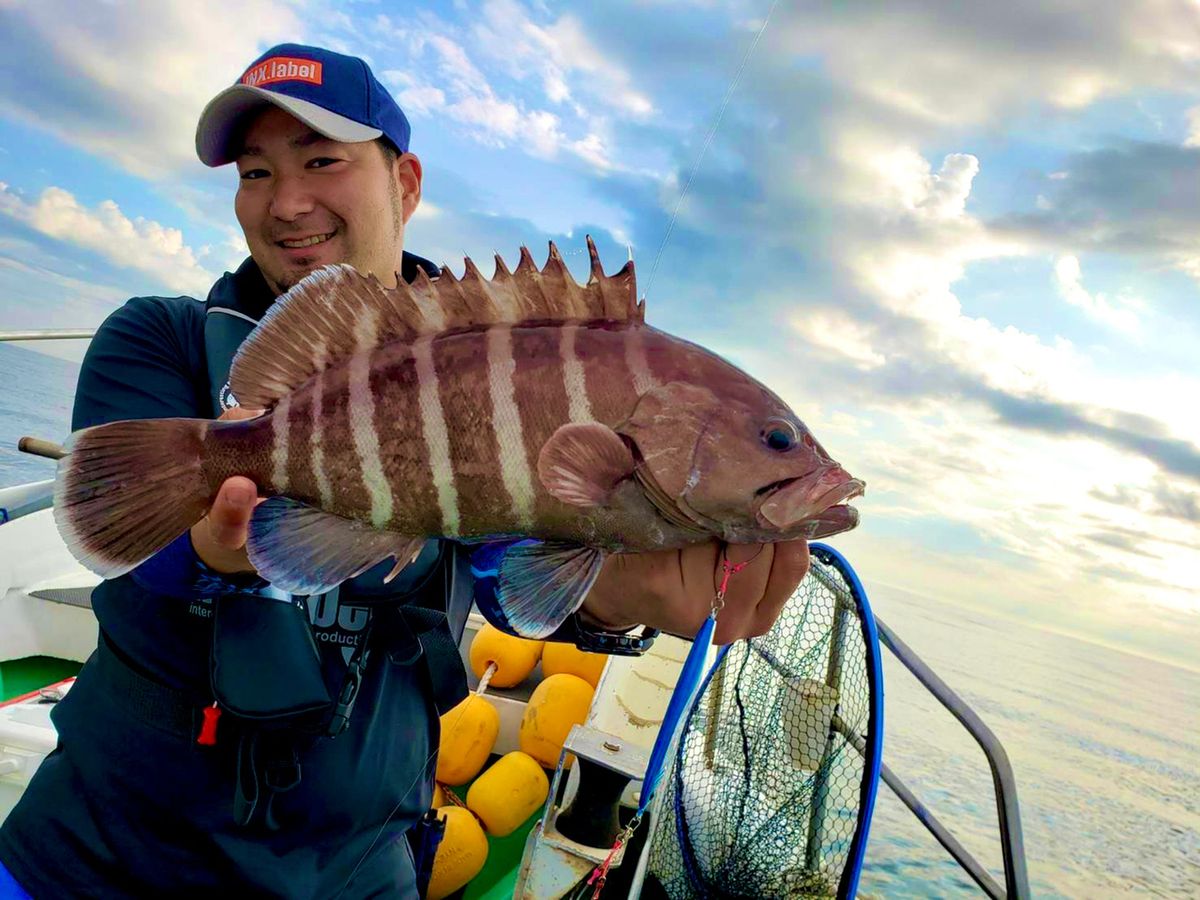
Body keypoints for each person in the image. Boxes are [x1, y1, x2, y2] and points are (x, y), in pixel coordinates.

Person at [0, 44, 811, 898]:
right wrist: (210, 551)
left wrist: (618, 598)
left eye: (321, 161)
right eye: (254, 172)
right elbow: (123, 535)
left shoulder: (508, 375)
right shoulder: (158, 338)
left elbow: (507, 570)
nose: (287, 202)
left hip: (359, 864)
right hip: (102, 851)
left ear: (407, 183)